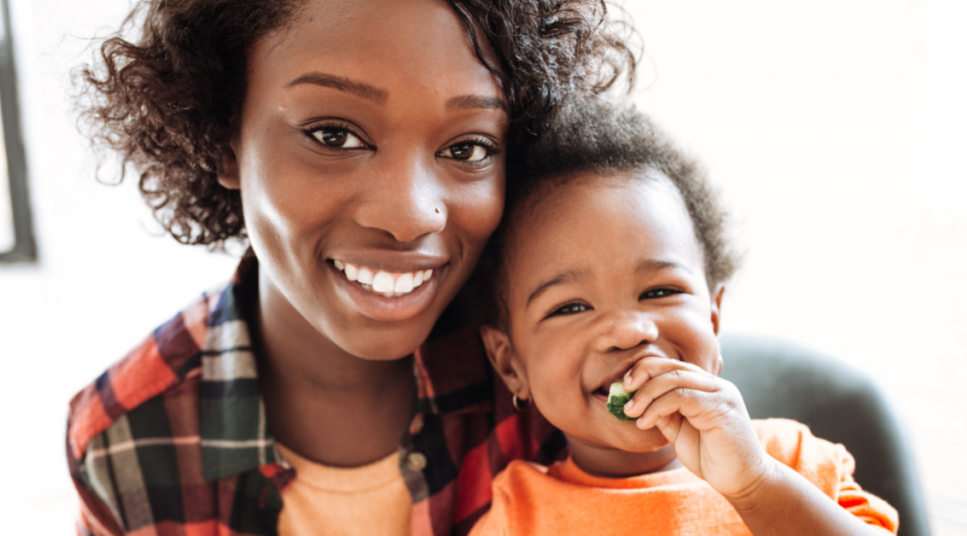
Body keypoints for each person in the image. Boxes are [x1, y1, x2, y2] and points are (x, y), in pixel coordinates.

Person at [65, 0, 633, 535]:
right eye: (334, 135)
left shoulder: (562, 381)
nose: (409, 216)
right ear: (224, 138)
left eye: (468, 149)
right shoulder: (123, 440)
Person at [467, 97, 900, 535]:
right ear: (510, 362)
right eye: (571, 307)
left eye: (660, 291)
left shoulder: (792, 463)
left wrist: (755, 485)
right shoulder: (516, 518)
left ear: (713, 321)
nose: (628, 331)